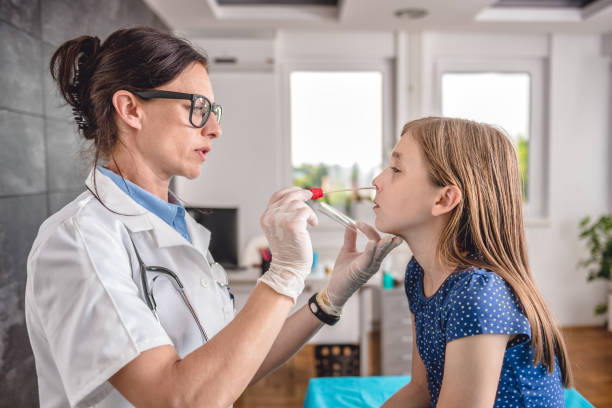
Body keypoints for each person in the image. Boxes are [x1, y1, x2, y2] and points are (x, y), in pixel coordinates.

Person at [24, 26, 401, 408]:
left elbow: (231, 366)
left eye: (212, 111)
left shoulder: (182, 228)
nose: (215, 129)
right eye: (197, 108)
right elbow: (175, 398)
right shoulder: (78, 241)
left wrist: (330, 297)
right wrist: (283, 274)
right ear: (131, 109)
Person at [375, 117, 572, 408]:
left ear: (444, 199)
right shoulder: (419, 272)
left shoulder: (477, 292)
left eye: (396, 169)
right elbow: (421, 388)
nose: (376, 180)